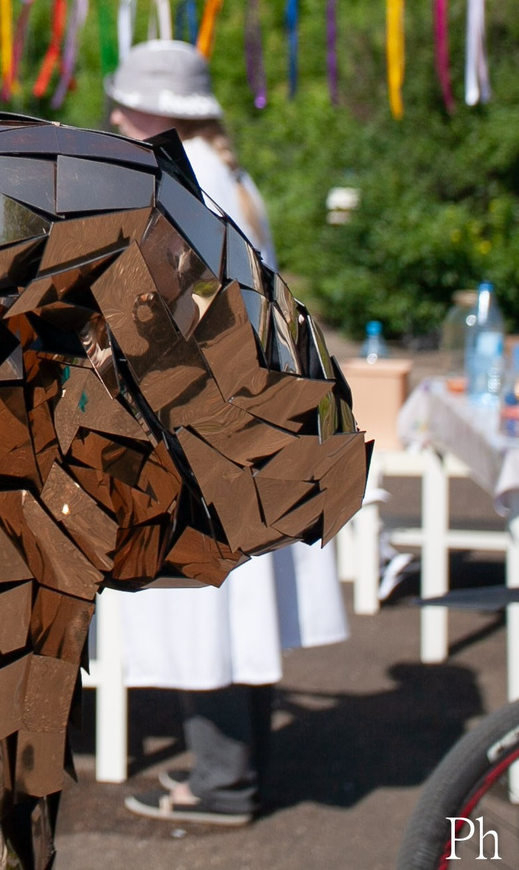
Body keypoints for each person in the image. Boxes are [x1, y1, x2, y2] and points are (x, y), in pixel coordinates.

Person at [102, 40, 347, 827]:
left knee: (200, 605)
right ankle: (232, 772)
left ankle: (222, 781)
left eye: (128, 102)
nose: (113, 113)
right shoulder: (221, 169)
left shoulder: (190, 177)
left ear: (164, 109)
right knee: (233, 606)